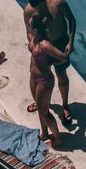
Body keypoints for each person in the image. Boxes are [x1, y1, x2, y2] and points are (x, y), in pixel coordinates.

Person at [23, 0, 76, 126]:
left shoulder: (57, 3)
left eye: (40, 6)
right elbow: (28, 32)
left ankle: (65, 106)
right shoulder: (28, 11)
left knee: (61, 74)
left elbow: (71, 20)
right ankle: (40, 102)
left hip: (60, 42)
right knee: (38, 76)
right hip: (42, 44)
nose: (39, 10)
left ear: (44, 0)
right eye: (36, 8)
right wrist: (36, 45)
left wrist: (70, 41)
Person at [26, 14, 68, 146]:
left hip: (44, 80)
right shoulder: (34, 38)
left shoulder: (45, 44)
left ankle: (57, 138)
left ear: (36, 28)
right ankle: (44, 133)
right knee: (40, 108)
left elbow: (63, 57)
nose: (28, 23)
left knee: (45, 112)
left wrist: (49, 63)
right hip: (33, 77)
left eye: (30, 23)